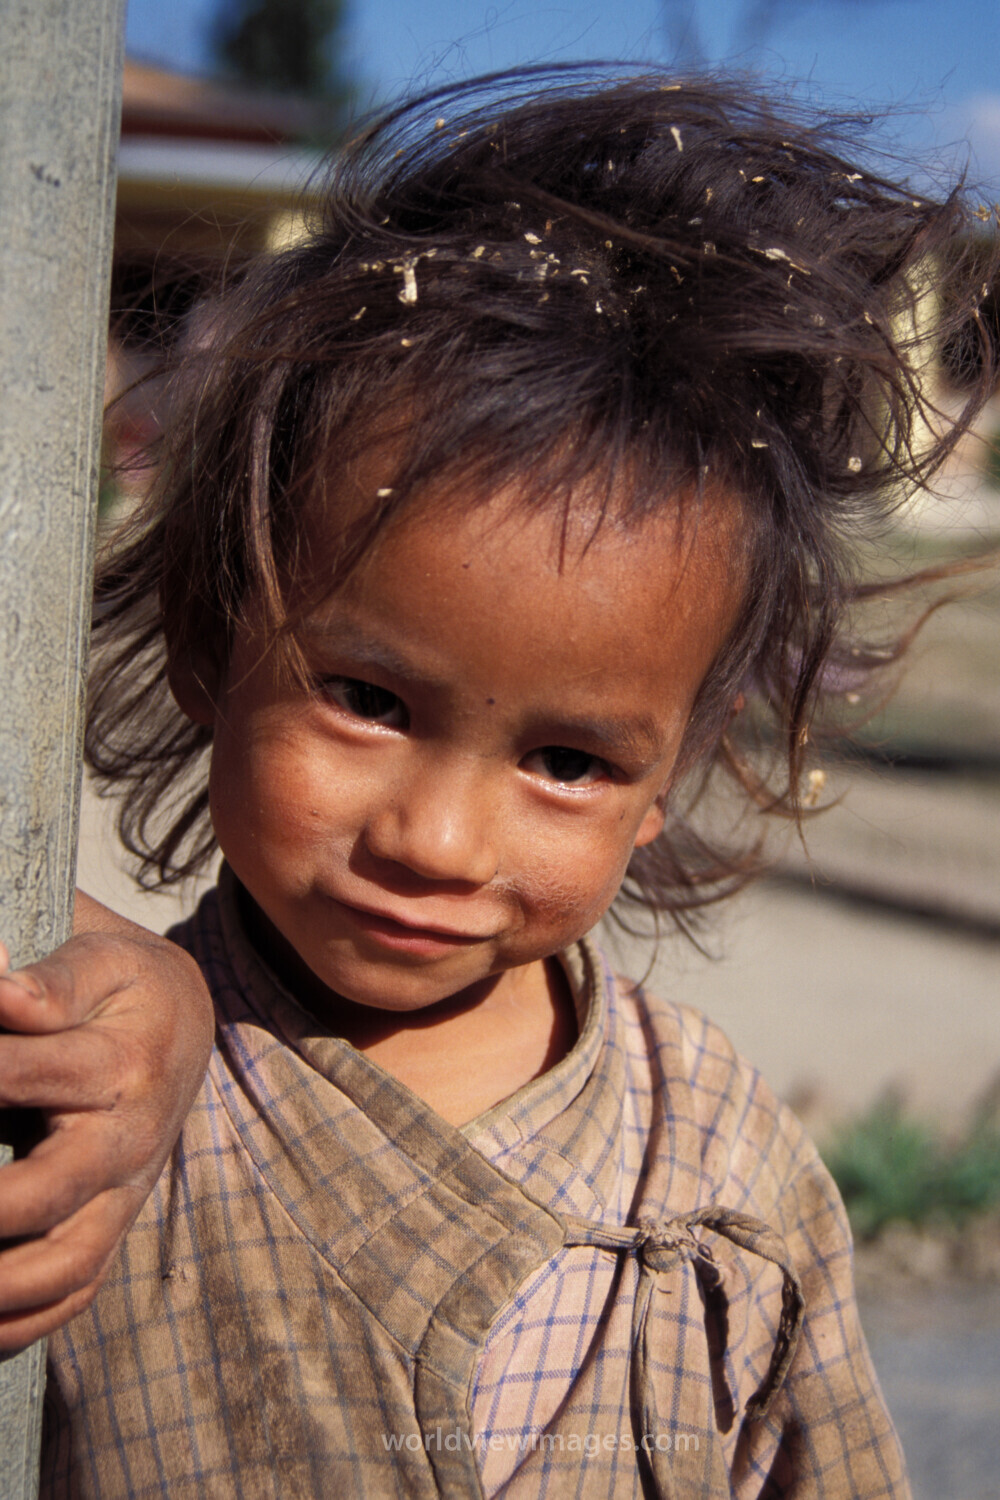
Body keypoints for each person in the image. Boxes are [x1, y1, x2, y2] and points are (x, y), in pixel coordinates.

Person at [3, 66, 995, 1498]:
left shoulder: (719, 1169)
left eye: (570, 761)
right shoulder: (101, 1100)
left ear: (667, 778)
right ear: (213, 644)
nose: (438, 838)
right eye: (366, 700)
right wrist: (124, 984)